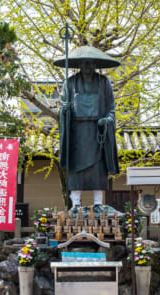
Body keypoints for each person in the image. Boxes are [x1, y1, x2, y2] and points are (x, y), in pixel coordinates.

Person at [54, 46, 120, 213]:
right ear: (79, 65)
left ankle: (98, 202)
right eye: (84, 63)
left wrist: (107, 119)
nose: (88, 67)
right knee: (75, 168)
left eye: (91, 63)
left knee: (98, 169)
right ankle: (75, 203)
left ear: (96, 65)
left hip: (97, 133)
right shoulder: (70, 83)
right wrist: (65, 109)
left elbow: (111, 108)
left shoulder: (104, 82)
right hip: (77, 133)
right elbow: (62, 105)